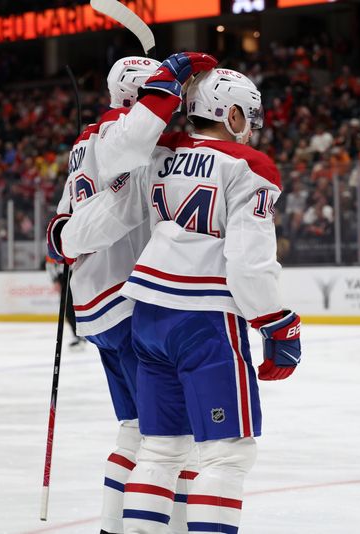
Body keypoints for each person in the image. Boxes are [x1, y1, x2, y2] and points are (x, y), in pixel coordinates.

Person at [51, 67, 302, 534]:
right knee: (227, 454)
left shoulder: (160, 155)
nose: (252, 125)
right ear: (230, 114)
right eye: (248, 116)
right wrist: (276, 321)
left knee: (160, 449)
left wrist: (65, 235)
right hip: (204, 319)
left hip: (146, 312)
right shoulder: (249, 166)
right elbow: (249, 265)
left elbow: (114, 210)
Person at [46, 53, 218, 534]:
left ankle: (111, 527)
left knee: (135, 430)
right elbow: (111, 212)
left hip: (95, 305)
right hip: (128, 302)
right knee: (171, 438)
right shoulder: (127, 139)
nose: (174, 107)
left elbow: (61, 226)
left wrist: (63, 240)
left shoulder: (86, 144)